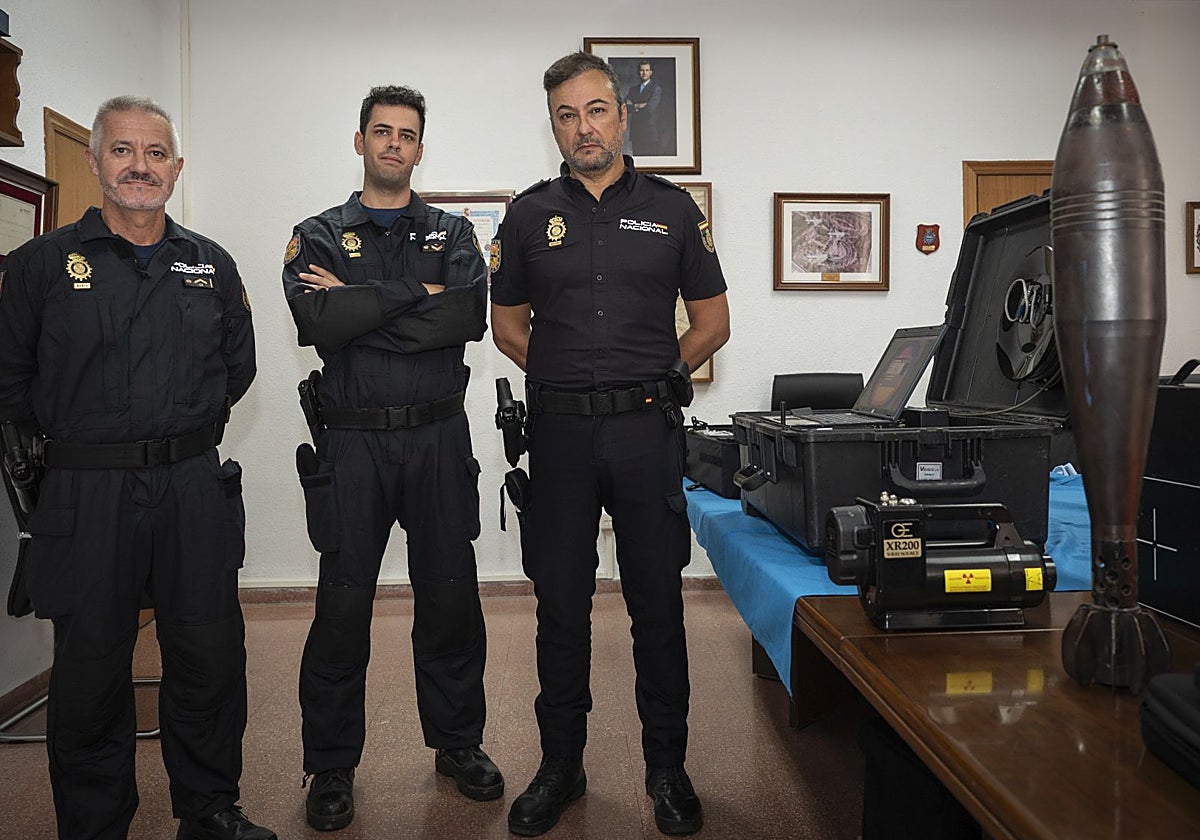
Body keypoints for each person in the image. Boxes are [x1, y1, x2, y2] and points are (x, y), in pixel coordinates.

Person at [0, 96, 272, 840]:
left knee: (209, 656)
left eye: (155, 154)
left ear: (176, 168)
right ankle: (93, 824)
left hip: (190, 486)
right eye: (123, 151)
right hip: (86, 492)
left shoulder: (211, 265)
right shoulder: (41, 267)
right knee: (90, 671)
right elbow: (10, 380)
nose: (140, 167)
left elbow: (237, 369)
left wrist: (179, 431)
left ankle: (210, 807)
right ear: (94, 162)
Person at [490, 52, 730, 837]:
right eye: (566, 115)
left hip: (644, 433)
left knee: (656, 606)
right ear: (553, 125)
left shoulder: (671, 209)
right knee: (560, 609)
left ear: (623, 116)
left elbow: (712, 322)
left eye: (595, 110)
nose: (582, 127)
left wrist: (661, 375)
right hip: (558, 435)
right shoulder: (527, 215)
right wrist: (562, 378)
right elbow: (507, 327)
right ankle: (561, 765)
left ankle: (668, 767)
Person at [282, 85, 498, 832]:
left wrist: (362, 303)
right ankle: (332, 763)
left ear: (419, 148)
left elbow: (466, 315)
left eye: (407, 134)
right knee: (342, 605)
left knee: (450, 599)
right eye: (382, 131)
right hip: (353, 444)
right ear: (360, 141)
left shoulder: (452, 233)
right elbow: (317, 320)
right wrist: (415, 298)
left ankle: (457, 743)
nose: (394, 144)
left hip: (438, 440)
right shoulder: (316, 234)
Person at [625, 60, 663, 155]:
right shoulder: (633, 90)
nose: (644, 73)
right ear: (638, 72)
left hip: (649, 133)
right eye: (642, 70)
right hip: (636, 132)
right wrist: (638, 105)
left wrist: (633, 105)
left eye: (647, 70)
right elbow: (625, 108)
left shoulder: (655, 89)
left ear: (651, 72)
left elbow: (649, 109)